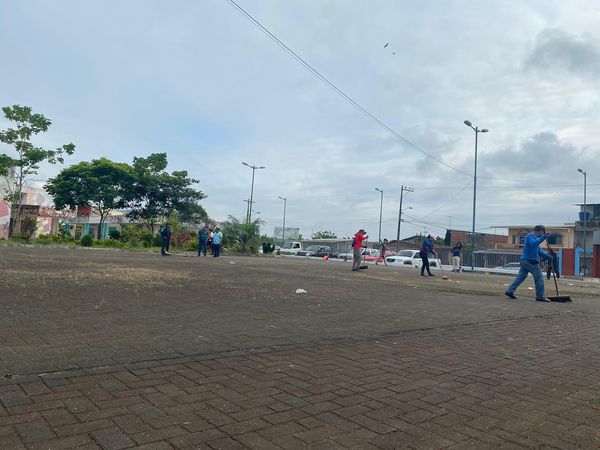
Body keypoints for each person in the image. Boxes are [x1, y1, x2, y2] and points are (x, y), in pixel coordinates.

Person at [505, 225, 552, 302]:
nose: (542, 234)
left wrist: (547, 256)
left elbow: (539, 251)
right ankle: (540, 296)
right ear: (540, 231)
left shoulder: (535, 238)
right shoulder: (530, 236)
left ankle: (510, 291)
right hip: (530, 261)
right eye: (543, 232)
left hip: (525, 261)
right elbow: (533, 244)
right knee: (539, 278)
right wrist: (543, 237)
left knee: (520, 277)